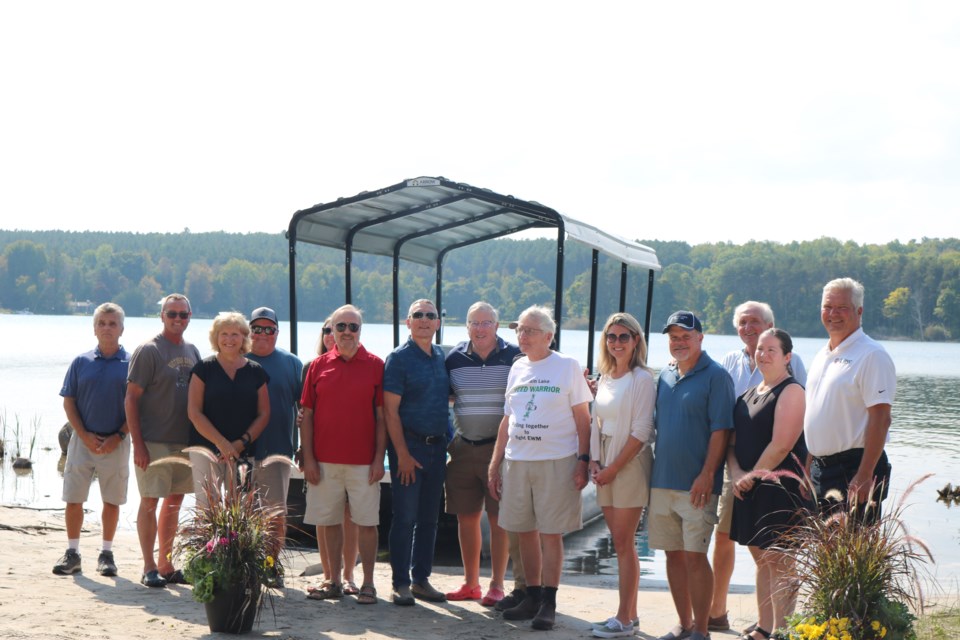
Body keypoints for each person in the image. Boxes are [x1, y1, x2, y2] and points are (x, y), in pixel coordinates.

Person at [488, 305, 593, 631]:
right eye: (520, 329)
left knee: (550, 533)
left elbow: (583, 418)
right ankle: (531, 595)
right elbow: (508, 419)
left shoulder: (566, 366)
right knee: (524, 531)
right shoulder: (517, 367)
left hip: (555, 461)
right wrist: (495, 463)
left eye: (530, 330)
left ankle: (549, 600)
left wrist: (583, 460)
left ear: (549, 335)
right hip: (518, 461)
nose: (523, 335)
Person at [710, 301, 807, 633]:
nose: (763, 354)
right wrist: (736, 473)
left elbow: (781, 444)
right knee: (763, 561)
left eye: (771, 349)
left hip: (780, 489)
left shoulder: (791, 390)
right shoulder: (749, 393)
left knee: (780, 562)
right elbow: (733, 443)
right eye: (760, 350)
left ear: (786, 357)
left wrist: (751, 476)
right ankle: (765, 629)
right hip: (747, 487)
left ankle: (784, 630)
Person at [649, 311, 735, 640]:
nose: (679, 342)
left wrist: (707, 474)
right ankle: (683, 624)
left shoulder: (716, 375)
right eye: (673, 337)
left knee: (695, 556)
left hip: (699, 485)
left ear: (701, 337)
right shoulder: (665, 375)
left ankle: (701, 630)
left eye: (686, 336)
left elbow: (721, 430)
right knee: (672, 555)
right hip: (661, 481)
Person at [301, 305, 386, 604]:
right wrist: (308, 458)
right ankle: (333, 580)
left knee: (366, 522)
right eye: (341, 327)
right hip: (323, 461)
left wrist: (379, 459)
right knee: (328, 521)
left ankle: (368, 583)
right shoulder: (317, 365)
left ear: (360, 330)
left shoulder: (376, 365)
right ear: (332, 331)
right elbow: (307, 415)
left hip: (364, 462)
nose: (347, 332)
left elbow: (381, 417)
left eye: (353, 327)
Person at [444, 301, 522, 606]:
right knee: (467, 517)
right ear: (466, 327)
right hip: (463, 447)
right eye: (474, 323)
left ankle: (497, 584)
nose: (480, 328)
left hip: (499, 449)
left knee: (498, 517)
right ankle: (470, 583)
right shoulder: (453, 358)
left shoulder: (515, 355)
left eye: (486, 322)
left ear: (497, 326)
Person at [125, 293, 202, 588]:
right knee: (149, 502)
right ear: (162, 316)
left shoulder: (193, 350)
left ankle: (166, 564)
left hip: (185, 441)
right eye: (172, 314)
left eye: (183, 314)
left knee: (174, 503)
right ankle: (148, 566)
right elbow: (131, 399)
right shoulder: (148, 351)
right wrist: (139, 444)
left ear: (190, 316)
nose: (178, 319)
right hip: (154, 441)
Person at [804, 278, 896, 521]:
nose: (833, 314)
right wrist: (808, 465)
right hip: (820, 470)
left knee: (851, 555)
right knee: (825, 555)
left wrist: (865, 473)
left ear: (859, 311)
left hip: (853, 468)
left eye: (842, 307)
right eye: (827, 306)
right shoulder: (822, 354)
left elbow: (881, 418)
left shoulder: (872, 355)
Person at [588, 312, 655, 638]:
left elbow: (642, 431)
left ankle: (624, 620)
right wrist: (595, 462)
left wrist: (613, 468)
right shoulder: (605, 376)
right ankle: (630, 614)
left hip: (629, 465)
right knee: (620, 542)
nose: (617, 343)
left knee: (624, 543)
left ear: (636, 340)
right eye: (611, 337)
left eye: (623, 337)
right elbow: (596, 424)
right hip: (606, 466)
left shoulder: (642, 378)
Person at [53, 303, 130, 577]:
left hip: (117, 442)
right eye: (102, 323)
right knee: (74, 498)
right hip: (81, 441)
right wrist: (83, 435)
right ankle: (72, 553)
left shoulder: (131, 364)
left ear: (122, 328)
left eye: (112, 323)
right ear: (94, 327)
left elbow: (137, 408)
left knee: (112, 500)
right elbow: (69, 402)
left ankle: (106, 554)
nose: (107, 328)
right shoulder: (80, 362)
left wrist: (118, 436)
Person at [383, 299, 450, 606]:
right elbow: (390, 412)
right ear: (407, 322)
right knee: (405, 517)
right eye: (418, 315)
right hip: (408, 448)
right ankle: (400, 583)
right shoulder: (398, 359)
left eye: (430, 316)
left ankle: (421, 579)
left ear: (438, 323)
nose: (424, 320)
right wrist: (402, 455)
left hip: (438, 449)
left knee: (429, 519)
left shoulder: (440, 356)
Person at [186, 311, 270, 506]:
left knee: (240, 508)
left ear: (244, 337)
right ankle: (209, 539)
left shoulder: (256, 371)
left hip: (244, 452)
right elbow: (194, 412)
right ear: (216, 337)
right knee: (207, 507)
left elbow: (264, 413)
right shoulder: (203, 369)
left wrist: (240, 443)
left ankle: (235, 540)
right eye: (224, 334)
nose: (229, 339)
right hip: (206, 450)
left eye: (235, 334)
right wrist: (222, 444)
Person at [246, 306, 303, 587]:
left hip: (278, 450)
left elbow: (304, 408)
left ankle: (270, 564)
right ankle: (243, 561)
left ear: (277, 333)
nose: (262, 334)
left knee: (275, 514)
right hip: (240, 452)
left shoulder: (292, 363)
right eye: (257, 328)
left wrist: (305, 448)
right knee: (242, 511)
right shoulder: (237, 360)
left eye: (269, 329)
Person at [310, 316, 362, 594]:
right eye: (329, 329)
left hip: (352, 455)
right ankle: (330, 574)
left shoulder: (361, 365)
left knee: (349, 515)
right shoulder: (313, 366)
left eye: (343, 328)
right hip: (321, 454)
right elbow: (304, 415)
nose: (336, 333)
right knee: (325, 515)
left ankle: (350, 574)